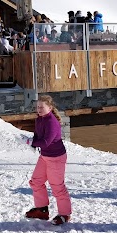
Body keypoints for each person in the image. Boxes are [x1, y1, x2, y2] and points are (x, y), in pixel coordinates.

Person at [25, 95, 72, 226]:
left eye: (42, 107)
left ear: (50, 108)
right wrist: (32, 141)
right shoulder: (39, 119)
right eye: (37, 107)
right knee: (36, 181)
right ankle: (42, 209)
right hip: (45, 157)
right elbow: (38, 135)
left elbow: (46, 142)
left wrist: (32, 143)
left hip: (56, 158)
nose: (39, 109)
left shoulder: (52, 122)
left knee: (57, 186)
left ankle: (65, 214)